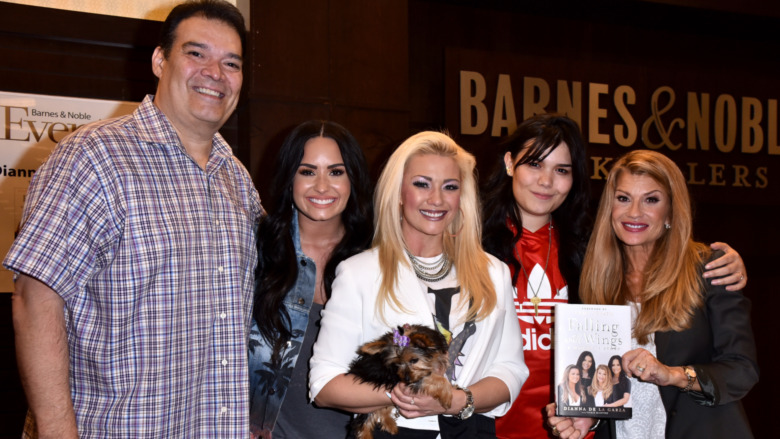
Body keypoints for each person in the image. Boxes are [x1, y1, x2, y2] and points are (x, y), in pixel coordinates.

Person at [3, 1, 263, 437]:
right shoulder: (94, 156)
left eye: (231, 62)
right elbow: (35, 301)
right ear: (160, 60)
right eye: (196, 53)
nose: (215, 73)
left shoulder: (235, 177)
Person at [482, 114, 747, 439]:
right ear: (510, 163)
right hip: (489, 424)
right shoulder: (472, 247)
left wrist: (729, 262)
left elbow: (740, 367)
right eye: (535, 164)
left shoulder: (582, 254)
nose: (546, 181)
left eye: (562, 170)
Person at [310, 131, 528, 438]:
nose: (436, 199)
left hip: (471, 430)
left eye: (449, 187)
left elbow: (511, 370)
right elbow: (324, 384)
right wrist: (403, 393)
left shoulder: (493, 272)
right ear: (398, 191)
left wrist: (454, 400)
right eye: (421, 184)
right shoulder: (358, 273)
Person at [546, 150, 758, 439]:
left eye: (651, 200)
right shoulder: (595, 280)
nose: (634, 212)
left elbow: (742, 370)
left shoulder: (709, 268)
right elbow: (606, 385)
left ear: (670, 210)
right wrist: (588, 419)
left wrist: (673, 375)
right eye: (623, 198)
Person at [247, 120, 373, 438]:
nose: (321, 186)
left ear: (353, 179)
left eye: (335, 171)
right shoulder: (253, 249)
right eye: (307, 171)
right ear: (289, 178)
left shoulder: (379, 257)